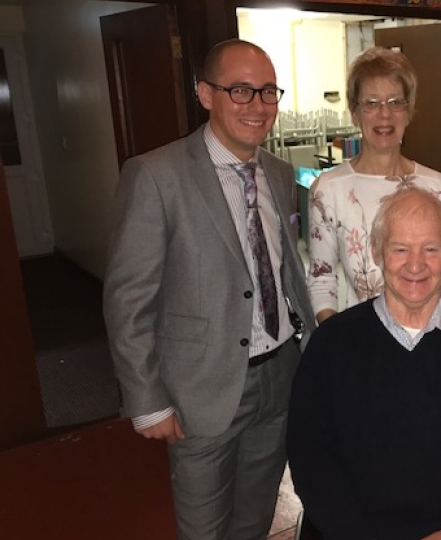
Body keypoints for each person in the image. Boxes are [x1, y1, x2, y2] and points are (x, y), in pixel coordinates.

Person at [102, 39, 315, 540]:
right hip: (202, 388)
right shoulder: (156, 176)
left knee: (256, 516)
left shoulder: (280, 174)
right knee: (204, 527)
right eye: (239, 90)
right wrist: (147, 398)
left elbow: (284, 273)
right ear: (204, 94)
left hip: (281, 373)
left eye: (267, 91)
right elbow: (127, 298)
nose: (257, 106)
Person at [287, 186, 441, 540]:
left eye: (431, 249)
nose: (416, 265)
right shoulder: (332, 345)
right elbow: (311, 457)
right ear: (377, 251)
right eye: (401, 249)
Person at [306, 46, 441, 323]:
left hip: (431, 342)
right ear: (355, 113)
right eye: (371, 103)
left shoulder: (436, 187)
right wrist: (337, 344)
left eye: (395, 102)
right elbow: (322, 281)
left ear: (409, 111)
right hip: (362, 347)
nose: (384, 115)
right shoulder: (329, 190)